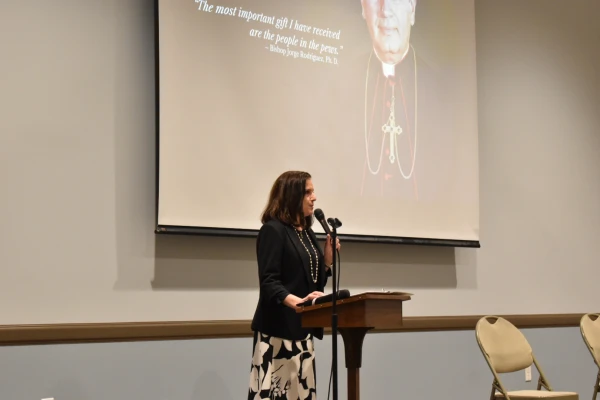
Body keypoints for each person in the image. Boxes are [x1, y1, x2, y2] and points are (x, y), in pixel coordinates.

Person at [247, 171, 341, 400]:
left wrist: (327, 262)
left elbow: (314, 285)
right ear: (292, 195)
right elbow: (269, 282)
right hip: (277, 333)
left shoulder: (307, 233)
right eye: (308, 192)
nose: (314, 197)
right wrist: (296, 302)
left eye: (313, 192)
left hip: (303, 332)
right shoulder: (273, 230)